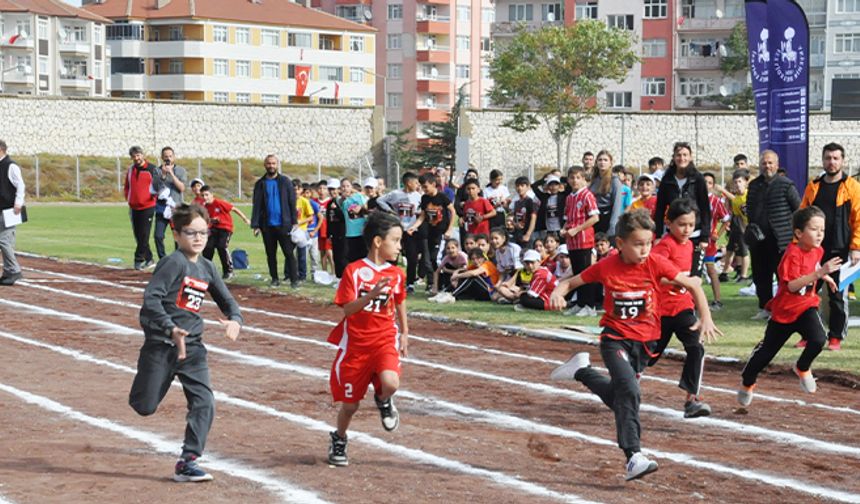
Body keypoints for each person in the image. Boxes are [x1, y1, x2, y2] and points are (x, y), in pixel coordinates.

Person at [548, 209, 720, 482]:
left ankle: (581, 370)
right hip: (615, 338)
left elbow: (694, 286)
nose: (644, 250)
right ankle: (633, 457)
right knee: (629, 391)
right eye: (638, 244)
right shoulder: (606, 266)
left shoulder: (656, 263)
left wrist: (706, 317)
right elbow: (571, 282)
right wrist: (558, 292)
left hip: (646, 342)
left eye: (648, 243)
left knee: (621, 398)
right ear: (620, 244)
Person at [130, 203, 243, 482]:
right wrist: (171, 329)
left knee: (204, 401)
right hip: (161, 345)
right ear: (176, 234)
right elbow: (151, 300)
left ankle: (188, 459)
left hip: (192, 348)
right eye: (191, 232)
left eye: (203, 233)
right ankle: (154, 383)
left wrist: (235, 319)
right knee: (144, 405)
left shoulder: (206, 267)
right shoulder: (173, 263)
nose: (198, 238)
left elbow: (227, 300)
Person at [326, 211, 408, 467]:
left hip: (384, 339)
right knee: (349, 406)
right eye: (395, 240)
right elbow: (347, 309)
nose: (399, 246)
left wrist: (405, 332)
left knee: (390, 383)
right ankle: (339, 437)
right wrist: (370, 295)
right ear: (377, 242)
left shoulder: (396, 273)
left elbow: (400, 301)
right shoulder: (354, 271)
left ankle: (383, 399)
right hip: (357, 347)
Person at [738, 206, 841, 406]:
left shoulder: (817, 250)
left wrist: (825, 275)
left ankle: (802, 367)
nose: (820, 234)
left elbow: (813, 267)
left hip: (806, 306)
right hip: (785, 311)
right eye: (814, 229)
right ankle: (747, 382)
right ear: (798, 233)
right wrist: (819, 275)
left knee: (819, 339)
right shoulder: (791, 254)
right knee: (765, 354)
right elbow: (792, 286)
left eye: (822, 229)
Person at [648, 199, 715, 418]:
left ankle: (691, 398)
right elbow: (653, 276)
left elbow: (693, 280)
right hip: (661, 311)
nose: (687, 230)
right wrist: (678, 281)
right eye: (682, 224)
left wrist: (693, 284)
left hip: (683, 308)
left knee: (696, 347)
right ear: (669, 223)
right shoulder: (664, 246)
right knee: (648, 357)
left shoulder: (692, 247)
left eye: (691, 224)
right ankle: (621, 382)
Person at [799, 143, 860, 351]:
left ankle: (835, 336)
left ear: (842, 161)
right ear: (822, 160)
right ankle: (809, 334)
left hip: (840, 250)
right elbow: (802, 215)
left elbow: (858, 219)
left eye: (835, 158)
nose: (831, 162)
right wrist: (799, 244)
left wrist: (856, 247)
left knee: (836, 295)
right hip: (813, 250)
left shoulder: (852, 187)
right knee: (808, 293)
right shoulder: (813, 186)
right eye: (828, 158)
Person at [746, 150, 801, 320]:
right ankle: (765, 307)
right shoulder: (754, 185)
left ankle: (783, 308)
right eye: (764, 163)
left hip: (781, 241)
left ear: (777, 165)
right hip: (759, 240)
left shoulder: (786, 184)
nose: (767, 166)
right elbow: (749, 209)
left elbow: (798, 210)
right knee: (761, 276)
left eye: (770, 163)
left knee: (783, 278)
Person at [654, 142, 711, 277]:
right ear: (673, 157)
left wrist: (705, 236)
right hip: (673, 234)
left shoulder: (697, 179)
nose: (682, 158)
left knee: (694, 275)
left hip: (695, 234)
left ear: (690, 157)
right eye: (678, 155)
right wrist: (657, 235)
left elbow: (705, 208)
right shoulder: (667, 179)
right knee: (675, 274)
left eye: (685, 155)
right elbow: (660, 208)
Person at [250, 154, 298, 288]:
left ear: (277, 165)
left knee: (289, 253)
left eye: (273, 163)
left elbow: (291, 202)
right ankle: (275, 279)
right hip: (267, 225)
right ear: (265, 165)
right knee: (270, 254)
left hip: (284, 224)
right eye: (268, 163)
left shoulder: (285, 181)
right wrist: (256, 224)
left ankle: (294, 280)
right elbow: (257, 204)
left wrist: (294, 221)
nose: (271, 166)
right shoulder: (260, 184)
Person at [376, 172, 422, 293]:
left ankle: (410, 283)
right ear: (408, 183)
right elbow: (380, 200)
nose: (417, 185)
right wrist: (390, 211)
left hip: (411, 230)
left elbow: (421, 209)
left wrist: (417, 214)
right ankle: (391, 280)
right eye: (415, 183)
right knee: (393, 256)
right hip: (397, 229)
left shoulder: (418, 196)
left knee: (412, 257)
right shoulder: (395, 194)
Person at [564, 166, 600, 317]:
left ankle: (589, 305)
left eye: (578, 177)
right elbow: (567, 219)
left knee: (586, 273)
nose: (575, 180)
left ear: (584, 179)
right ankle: (580, 303)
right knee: (577, 273)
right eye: (572, 177)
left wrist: (577, 229)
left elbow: (595, 217)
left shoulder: (587, 195)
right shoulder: (569, 197)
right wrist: (564, 229)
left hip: (584, 240)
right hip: (572, 242)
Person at [407, 173, 455, 285]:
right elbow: (423, 215)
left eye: (425, 187)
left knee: (435, 258)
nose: (423, 189)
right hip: (429, 233)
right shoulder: (424, 198)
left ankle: (442, 282)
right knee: (428, 260)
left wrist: (449, 229)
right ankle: (433, 283)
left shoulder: (442, 197)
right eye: (422, 187)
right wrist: (413, 227)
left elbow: (453, 211)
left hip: (441, 233)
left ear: (433, 184)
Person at [200, 185, 250, 279]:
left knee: (222, 246)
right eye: (203, 195)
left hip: (225, 228)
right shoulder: (205, 206)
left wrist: (245, 218)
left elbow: (234, 209)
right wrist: (211, 220)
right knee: (208, 247)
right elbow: (207, 219)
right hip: (214, 229)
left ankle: (228, 271)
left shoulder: (219, 202)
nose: (205, 197)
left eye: (207, 195)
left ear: (212, 195)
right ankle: (206, 271)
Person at [124, 146, 159, 270]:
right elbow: (127, 186)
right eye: (134, 156)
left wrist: (153, 199)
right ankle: (149, 259)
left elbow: (158, 187)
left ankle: (138, 259)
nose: (136, 158)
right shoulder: (131, 170)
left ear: (142, 155)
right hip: (134, 207)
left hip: (147, 207)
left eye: (138, 155)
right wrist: (128, 199)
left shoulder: (152, 169)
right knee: (139, 236)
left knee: (144, 235)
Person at [702, 172, 731, 310]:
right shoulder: (692, 200)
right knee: (691, 271)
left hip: (708, 243)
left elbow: (726, 220)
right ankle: (693, 302)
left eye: (709, 182)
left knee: (710, 270)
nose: (706, 185)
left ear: (713, 185)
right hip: (693, 242)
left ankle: (717, 300)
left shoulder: (716, 201)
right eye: (704, 182)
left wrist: (717, 235)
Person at [716, 169, 751, 283]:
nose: (737, 184)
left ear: (746, 182)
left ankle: (744, 275)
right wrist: (730, 226)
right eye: (735, 182)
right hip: (739, 227)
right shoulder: (736, 200)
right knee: (731, 248)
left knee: (744, 251)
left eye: (740, 182)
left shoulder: (749, 195)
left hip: (749, 228)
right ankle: (725, 273)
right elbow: (737, 215)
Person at [153, 146, 187, 260]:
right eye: (166, 156)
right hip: (161, 208)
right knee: (158, 236)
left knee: (177, 236)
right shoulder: (157, 170)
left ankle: (178, 259)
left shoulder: (180, 170)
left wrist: (171, 174)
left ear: (174, 157)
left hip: (176, 208)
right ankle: (162, 259)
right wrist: (163, 174)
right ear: (162, 157)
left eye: (170, 156)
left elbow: (181, 188)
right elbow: (155, 188)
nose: (168, 158)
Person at [0, 139, 25, 285]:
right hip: (1, 208)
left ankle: (14, 270)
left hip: (9, 209)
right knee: (5, 241)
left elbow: (20, 185)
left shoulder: (11, 166)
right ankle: (8, 271)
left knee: (4, 240)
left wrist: (18, 203)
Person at [589, 150, 625, 239]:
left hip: (607, 219)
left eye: (605, 160)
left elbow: (617, 205)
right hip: (594, 218)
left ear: (610, 163)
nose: (602, 162)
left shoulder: (615, 181)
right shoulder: (594, 179)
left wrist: (612, 226)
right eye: (600, 160)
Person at [531, 174, 569, 241]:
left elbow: (569, 186)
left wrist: (561, 178)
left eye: (556, 184)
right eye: (551, 185)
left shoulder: (563, 196)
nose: (553, 187)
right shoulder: (544, 197)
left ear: (559, 186)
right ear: (548, 186)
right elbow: (534, 186)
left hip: (561, 229)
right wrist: (543, 180)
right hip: (548, 230)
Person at [343, 178, 370, 263]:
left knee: (363, 258)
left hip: (361, 233)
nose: (345, 188)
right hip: (350, 234)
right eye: (343, 186)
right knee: (352, 260)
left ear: (351, 187)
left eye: (347, 186)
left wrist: (360, 208)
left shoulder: (359, 197)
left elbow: (367, 207)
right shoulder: (344, 202)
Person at [294, 179, 315, 283]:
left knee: (302, 254)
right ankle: (289, 274)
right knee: (289, 254)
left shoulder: (304, 201)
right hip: (291, 230)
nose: (295, 192)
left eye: (297, 189)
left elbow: (311, 217)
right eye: (293, 189)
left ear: (301, 190)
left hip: (302, 230)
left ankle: (302, 276)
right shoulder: (287, 200)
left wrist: (300, 222)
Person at [326, 180, 348, 279]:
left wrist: (336, 209)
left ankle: (345, 278)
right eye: (330, 189)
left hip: (343, 233)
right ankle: (338, 278)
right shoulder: (329, 203)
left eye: (334, 189)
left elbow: (345, 218)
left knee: (343, 257)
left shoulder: (342, 202)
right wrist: (328, 235)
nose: (332, 192)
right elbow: (329, 220)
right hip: (334, 234)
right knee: (336, 257)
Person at [512, 176, 537, 248]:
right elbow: (515, 217)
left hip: (527, 234)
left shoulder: (530, 201)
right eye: (517, 186)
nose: (519, 188)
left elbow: (533, 218)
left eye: (522, 185)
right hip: (518, 233)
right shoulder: (516, 202)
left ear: (528, 187)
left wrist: (528, 234)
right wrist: (515, 224)